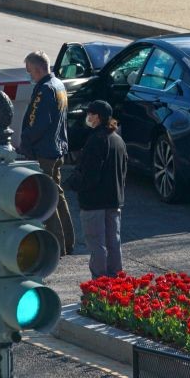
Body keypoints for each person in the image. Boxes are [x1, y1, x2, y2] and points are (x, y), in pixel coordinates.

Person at [20, 51, 75, 256]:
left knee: (46, 199)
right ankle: (68, 240)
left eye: (29, 71)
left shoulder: (44, 90)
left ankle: (57, 244)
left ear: (37, 69)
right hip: (57, 148)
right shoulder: (59, 85)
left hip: (44, 152)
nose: (29, 76)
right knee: (58, 195)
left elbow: (37, 122)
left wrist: (25, 143)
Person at [65, 101, 127, 279]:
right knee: (113, 243)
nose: (88, 117)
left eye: (90, 114)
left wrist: (71, 185)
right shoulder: (118, 140)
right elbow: (123, 171)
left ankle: (99, 284)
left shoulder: (96, 140)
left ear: (97, 117)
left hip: (94, 202)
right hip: (114, 200)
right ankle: (117, 282)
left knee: (97, 244)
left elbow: (89, 174)